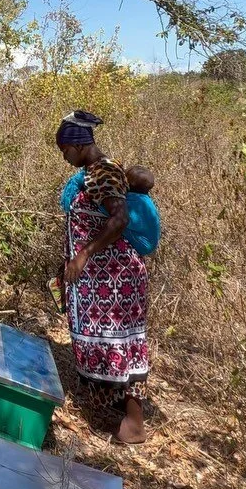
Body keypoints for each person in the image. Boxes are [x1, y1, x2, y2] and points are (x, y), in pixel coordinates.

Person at [56, 110, 150, 444]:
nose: (64, 156)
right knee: (109, 344)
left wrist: (84, 253)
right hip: (102, 279)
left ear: (79, 144)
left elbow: (119, 219)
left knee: (117, 345)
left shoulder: (102, 171)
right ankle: (116, 413)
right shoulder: (93, 172)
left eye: (66, 148)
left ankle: (135, 422)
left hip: (114, 279)